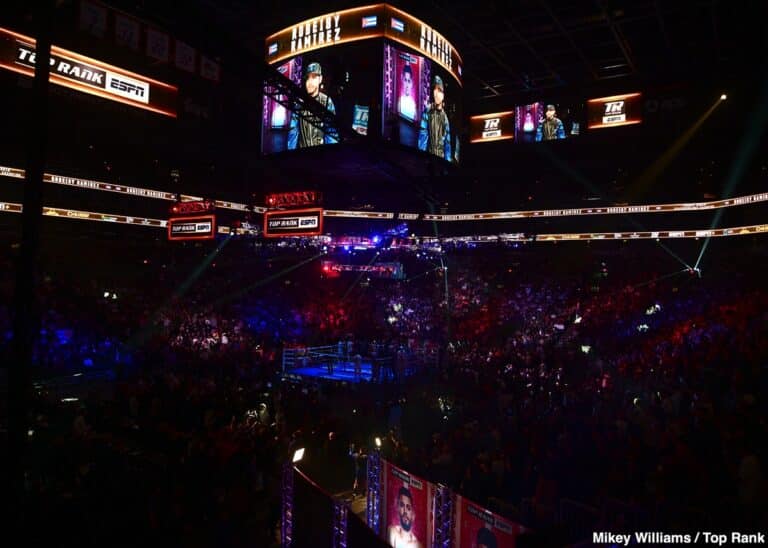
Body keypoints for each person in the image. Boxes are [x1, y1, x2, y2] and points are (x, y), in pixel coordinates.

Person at [287, 62, 339, 149]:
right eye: (308, 78)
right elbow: (293, 132)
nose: (309, 82)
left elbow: (331, 133)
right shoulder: (299, 103)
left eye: (314, 77)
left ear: (320, 79)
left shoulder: (327, 102)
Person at [418, 75, 451, 160]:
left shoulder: (445, 119)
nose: (436, 93)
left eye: (439, 90)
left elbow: (447, 144)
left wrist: (447, 164)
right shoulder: (427, 110)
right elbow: (423, 134)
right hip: (429, 158)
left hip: (440, 161)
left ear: (443, 94)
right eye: (434, 89)